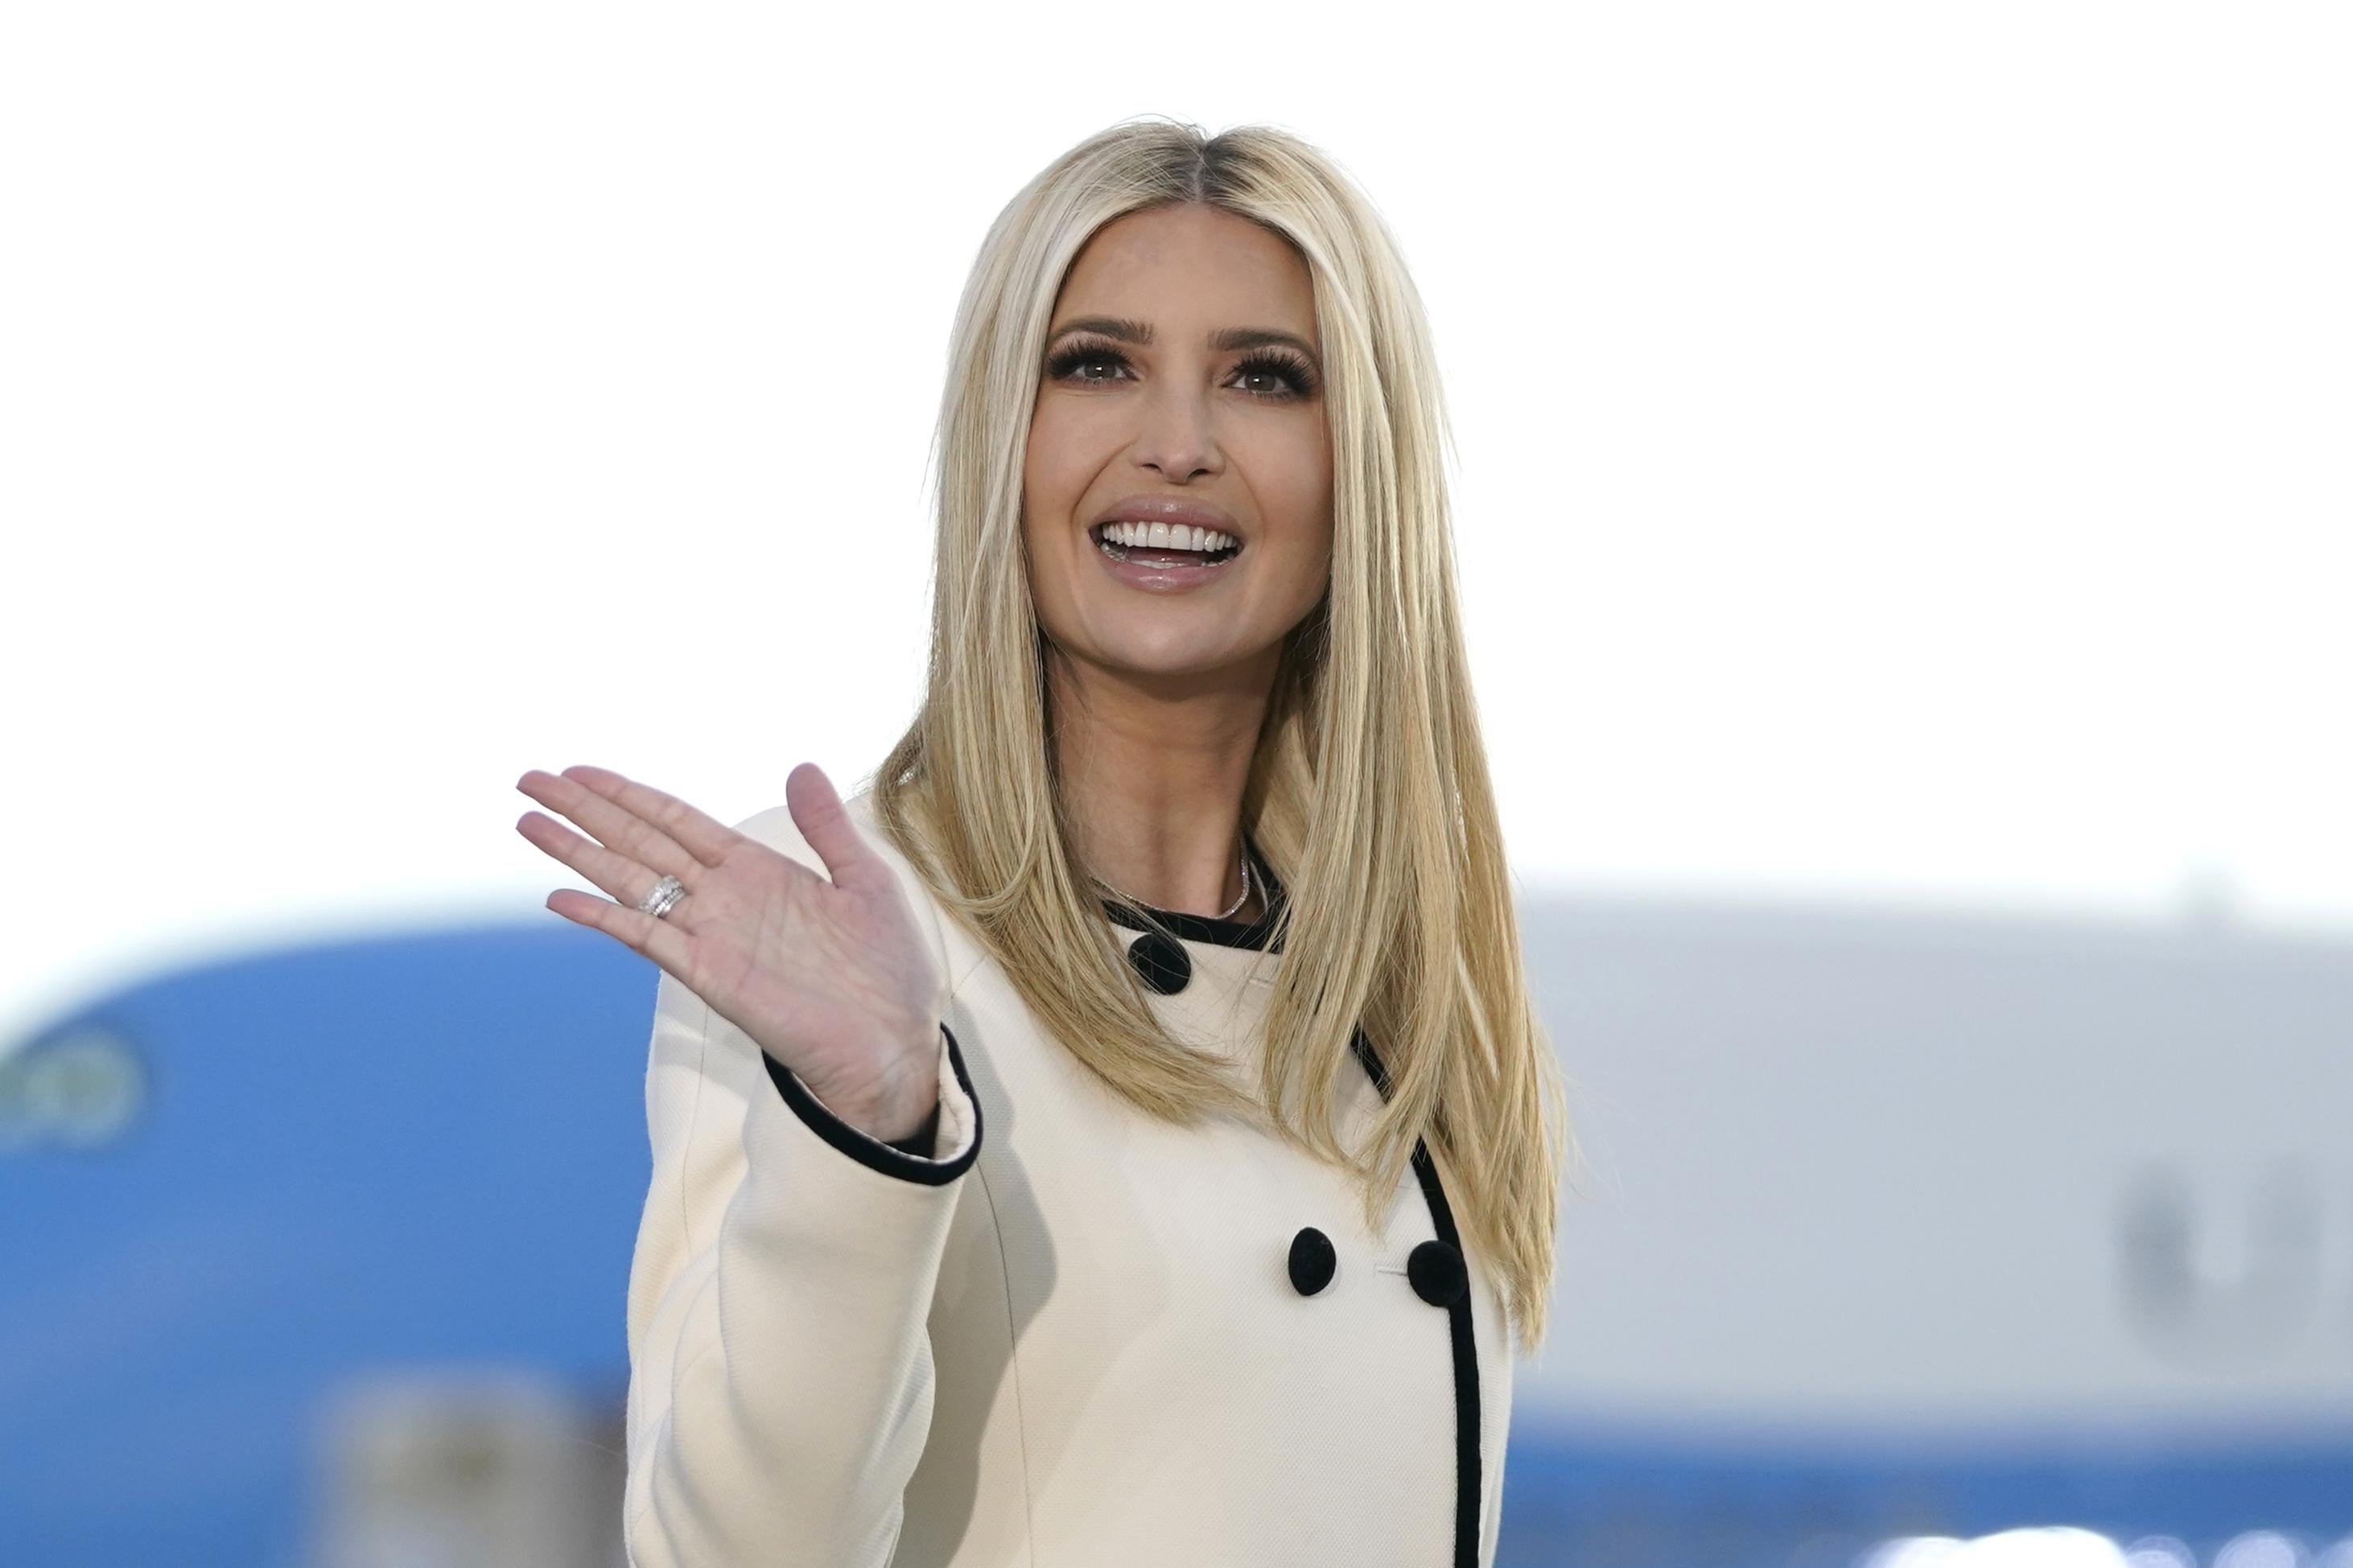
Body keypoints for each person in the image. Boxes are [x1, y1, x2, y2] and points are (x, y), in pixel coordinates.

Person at [513, 116, 1576, 1568]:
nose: (1178, 445)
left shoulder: (1394, 973)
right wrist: (871, 1125)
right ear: (1001, 439)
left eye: (1265, 378)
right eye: (1097, 365)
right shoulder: (848, 926)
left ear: (1362, 468)